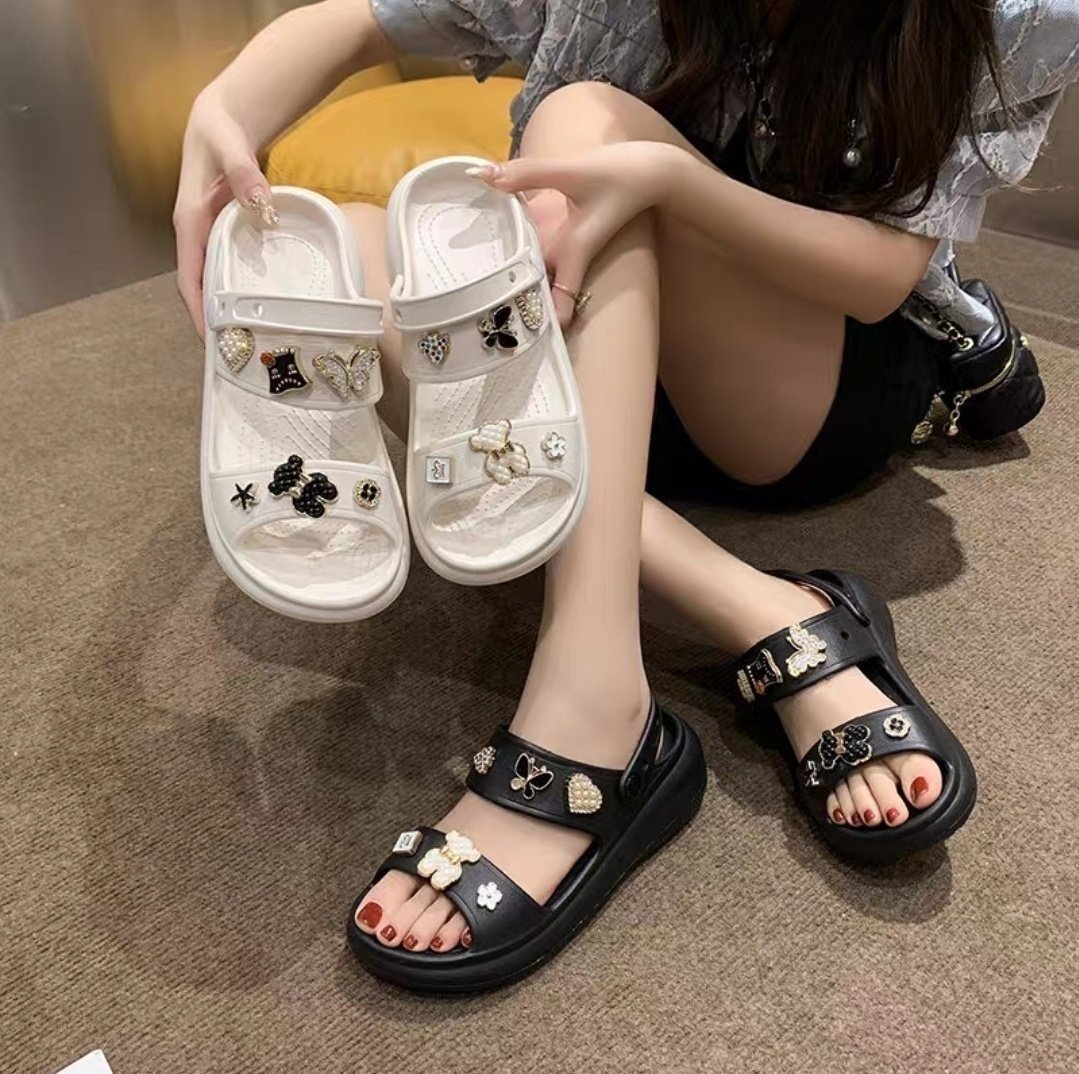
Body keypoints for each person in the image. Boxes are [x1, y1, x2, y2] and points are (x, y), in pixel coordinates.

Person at [175, 0, 1079, 973]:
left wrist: (668, 182)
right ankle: (759, 609)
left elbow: (879, 276)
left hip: (792, 393)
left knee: (584, 121)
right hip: (591, 358)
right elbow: (366, 20)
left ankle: (592, 702)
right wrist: (219, 112)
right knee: (347, 247)